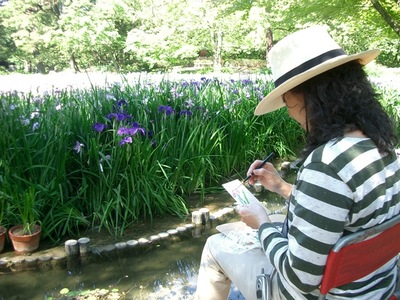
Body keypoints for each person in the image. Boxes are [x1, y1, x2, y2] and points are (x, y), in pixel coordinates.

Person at [194, 25, 400, 300]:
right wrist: (280, 186)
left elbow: (300, 279)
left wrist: (263, 225)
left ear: (308, 97)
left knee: (214, 246)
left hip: (320, 296)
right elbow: (345, 211)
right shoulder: (382, 146)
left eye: (287, 99)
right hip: (377, 289)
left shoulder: (326, 163)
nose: (289, 112)